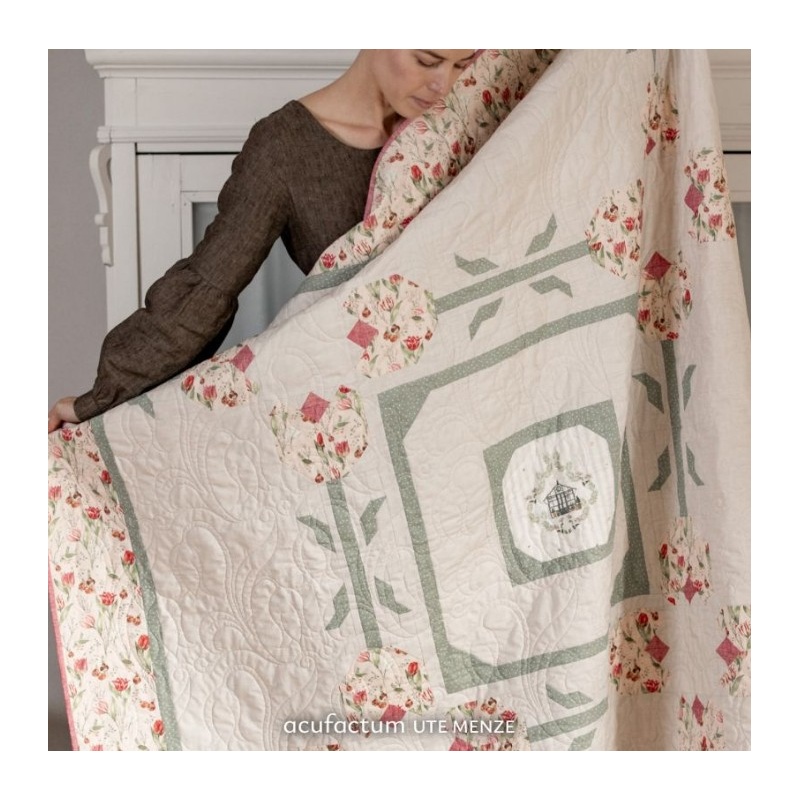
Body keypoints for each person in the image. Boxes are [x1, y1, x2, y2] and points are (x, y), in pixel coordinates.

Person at [48, 50, 477, 433]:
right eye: (427, 60)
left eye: (463, 64)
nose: (445, 84)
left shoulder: (473, 117)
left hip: (473, 369)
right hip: (374, 401)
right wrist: (102, 397)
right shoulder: (285, 148)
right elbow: (207, 287)